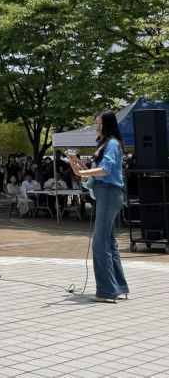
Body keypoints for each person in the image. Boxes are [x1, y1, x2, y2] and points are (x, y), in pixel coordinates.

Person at [69, 111, 129, 303]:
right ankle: (118, 287)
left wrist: (80, 171)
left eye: (99, 123)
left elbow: (105, 170)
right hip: (106, 193)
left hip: (109, 193)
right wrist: (77, 164)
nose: (96, 126)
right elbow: (94, 174)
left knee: (100, 243)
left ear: (106, 125)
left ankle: (107, 291)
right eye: (96, 123)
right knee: (109, 242)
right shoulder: (104, 144)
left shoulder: (111, 144)